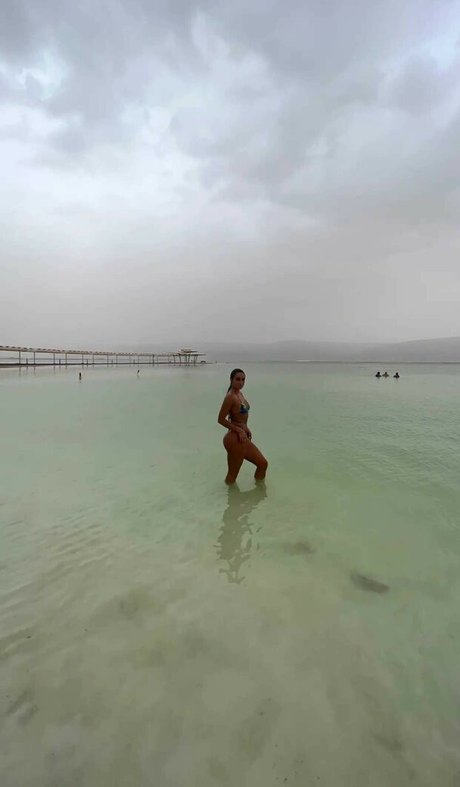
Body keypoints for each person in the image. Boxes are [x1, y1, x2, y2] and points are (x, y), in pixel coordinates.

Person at [217, 368, 268, 485]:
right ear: (231, 380)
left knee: (263, 464)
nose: (241, 382)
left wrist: (244, 427)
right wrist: (238, 429)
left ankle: (259, 492)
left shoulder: (239, 393)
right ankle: (231, 500)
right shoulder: (230, 397)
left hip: (240, 436)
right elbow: (220, 419)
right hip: (235, 439)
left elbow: (232, 416)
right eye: (238, 379)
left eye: (243, 380)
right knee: (232, 476)